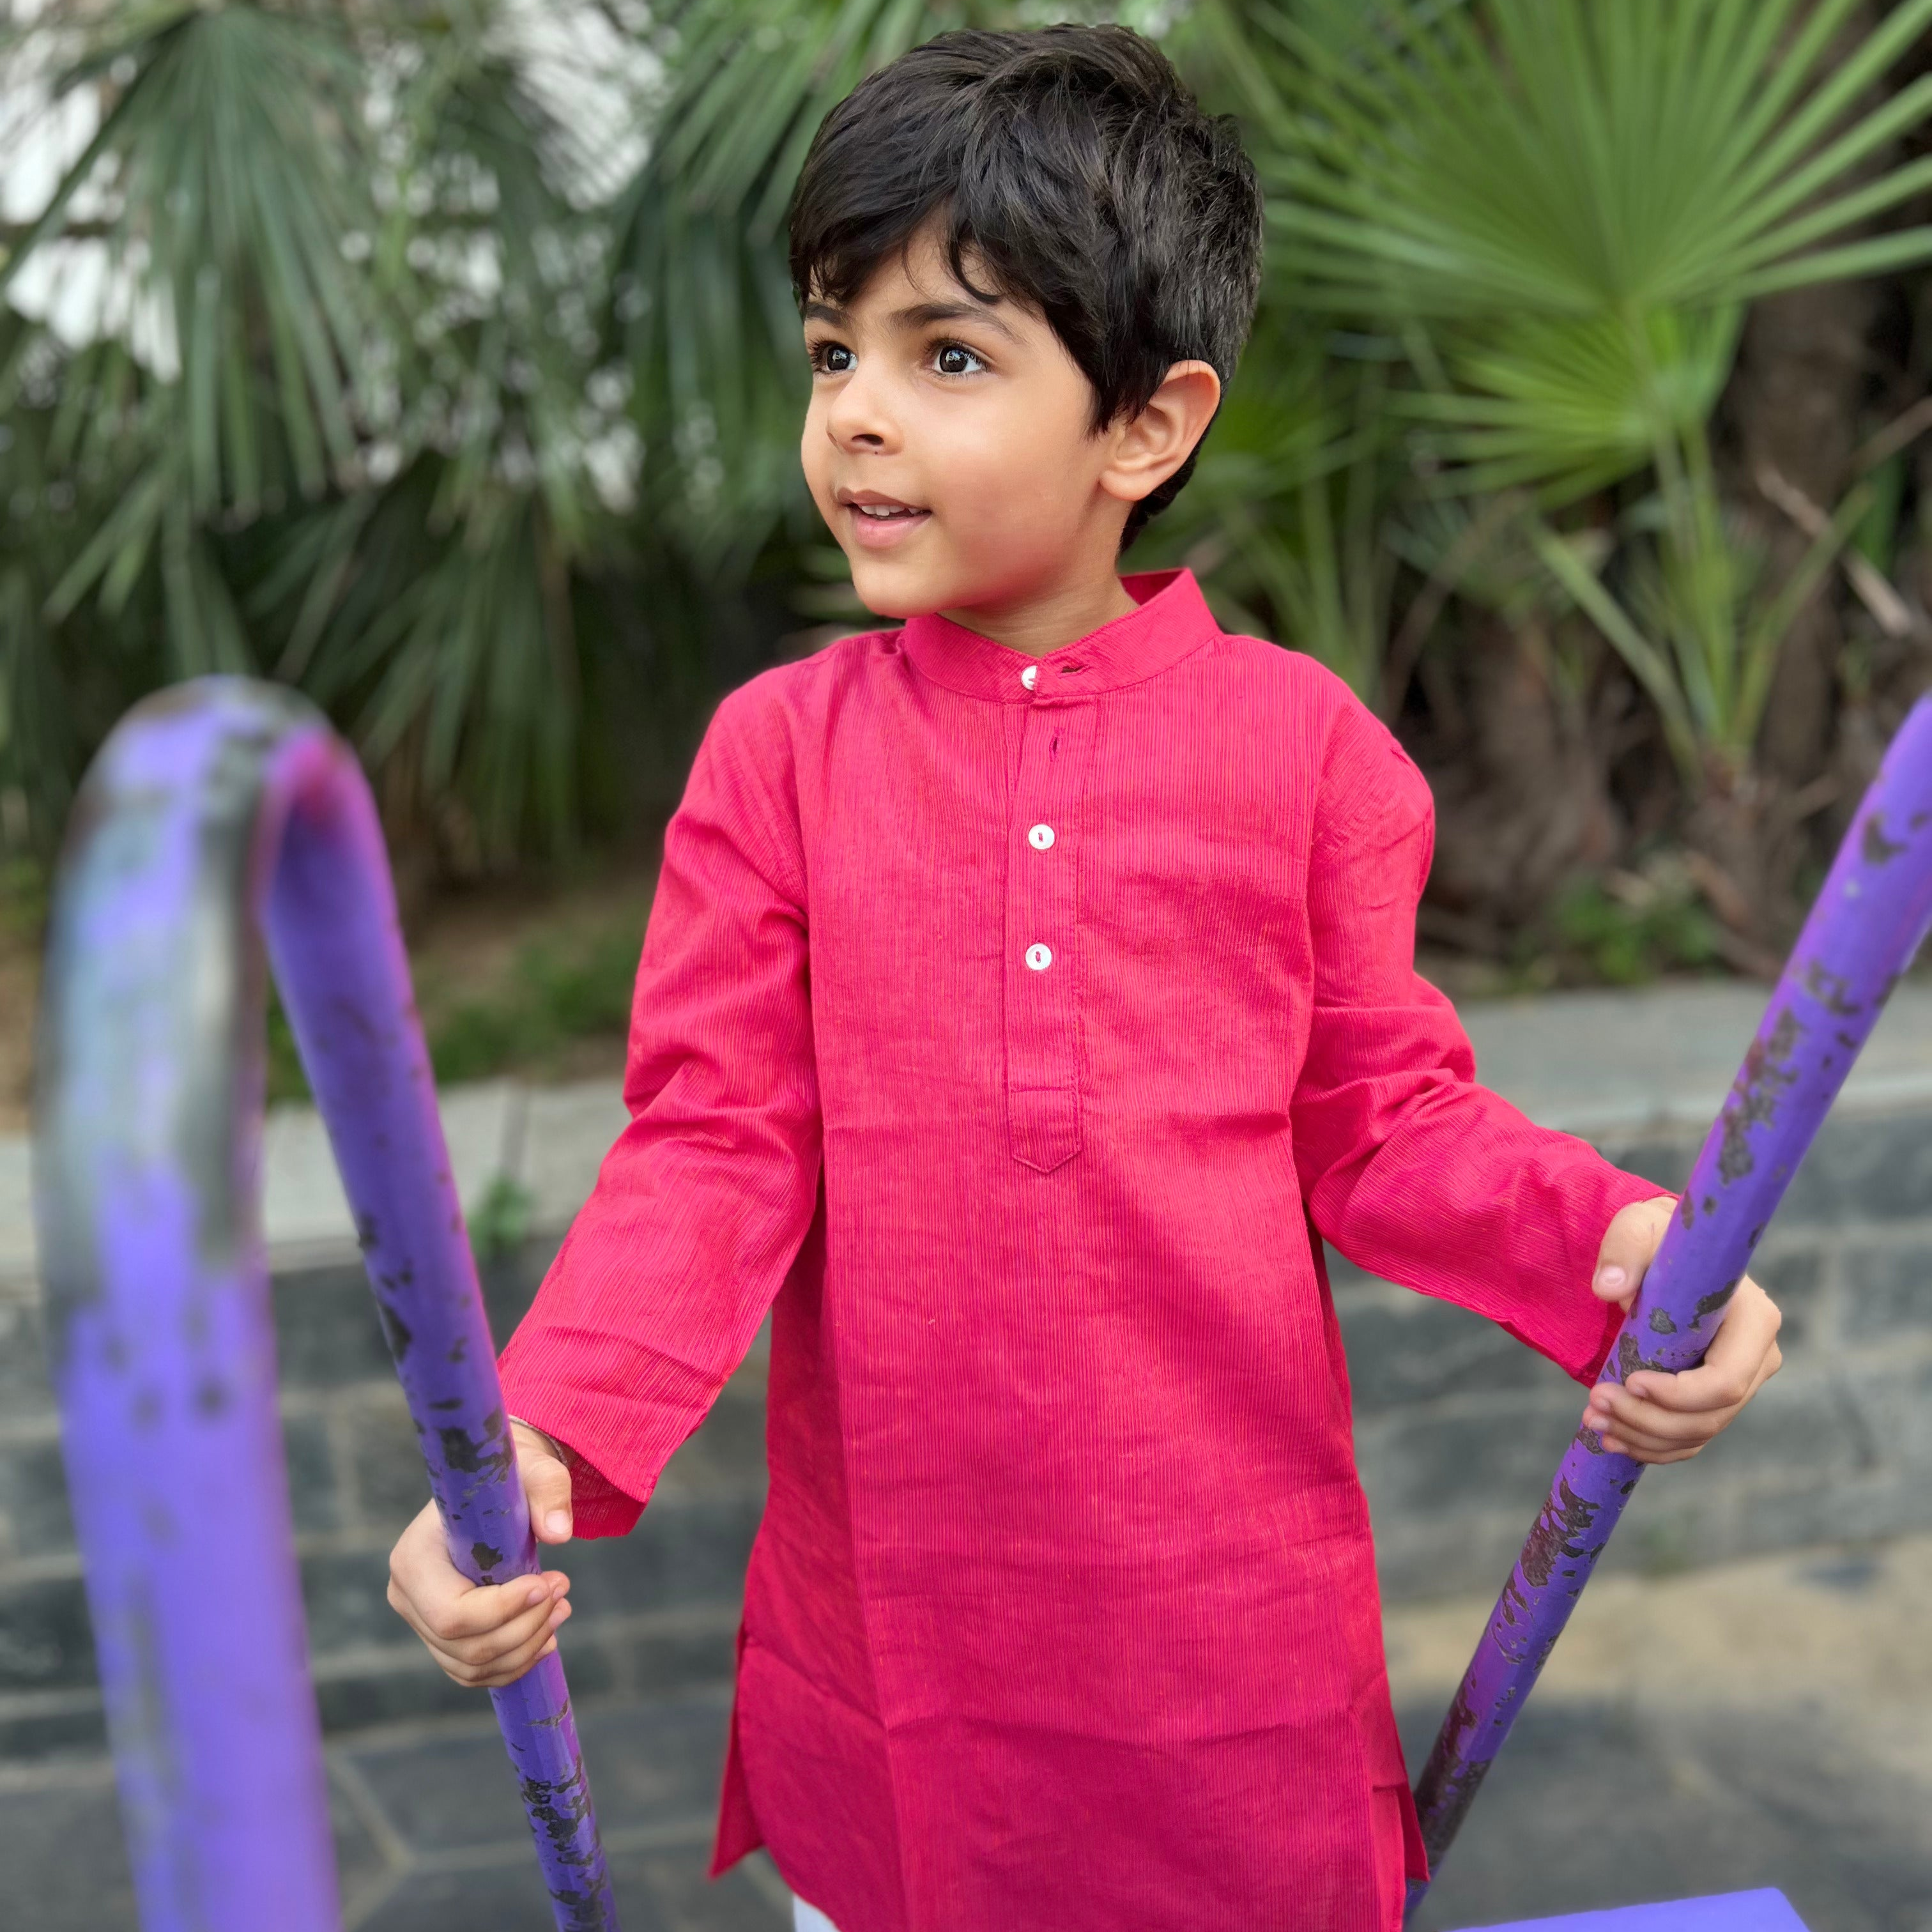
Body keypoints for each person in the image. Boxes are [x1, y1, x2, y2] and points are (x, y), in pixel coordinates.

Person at [386, 27, 1784, 1931]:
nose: (856, 415)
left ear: (1150, 425)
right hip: (897, 1651)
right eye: (834, 351)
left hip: (1223, 1643)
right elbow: (715, 1144)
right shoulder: (777, 759)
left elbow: (1387, 1120)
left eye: (948, 357)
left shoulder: (1309, 753)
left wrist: (1617, 1245)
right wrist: (537, 1435)